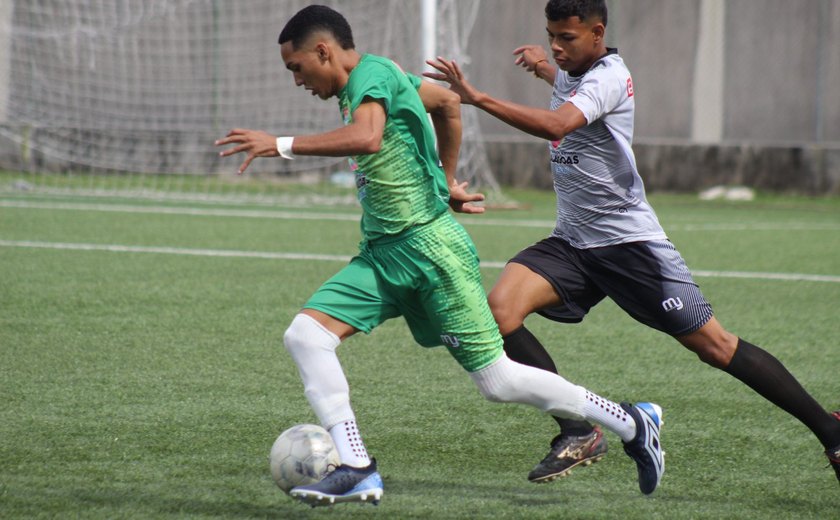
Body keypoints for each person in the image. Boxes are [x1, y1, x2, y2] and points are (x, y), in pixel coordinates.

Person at [215, 4, 666, 506]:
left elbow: (367, 137)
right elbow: (447, 102)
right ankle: (357, 465)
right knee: (305, 335)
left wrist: (280, 144)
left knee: (498, 382)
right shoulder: (376, 81)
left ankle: (630, 422)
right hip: (383, 255)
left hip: (431, 254)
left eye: (297, 67)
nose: (296, 79)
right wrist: (444, 181)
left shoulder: (372, 75)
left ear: (323, 51)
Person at [425, 0, 840, 488]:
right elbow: (561, 83)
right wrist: (541, 64)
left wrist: (478, 98)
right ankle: (578, 432)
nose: (558, 46)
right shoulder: (572, 70)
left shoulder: (608, 77)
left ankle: (830, 429)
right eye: (551, 35)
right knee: (499, 313)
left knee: (715, 346)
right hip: (573, 243)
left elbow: (557, 125)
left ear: (597, 33)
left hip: (630, 248)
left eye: (568, 38)